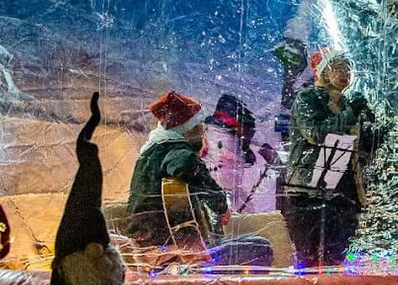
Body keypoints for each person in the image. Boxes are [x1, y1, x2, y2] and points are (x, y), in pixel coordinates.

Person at [126, 89, 275, 268]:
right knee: (261, 247)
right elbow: (185, 166)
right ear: (187, 128)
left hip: (151, 247)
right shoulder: (177, 152)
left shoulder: (150, 153)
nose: (203, 130)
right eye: (199, 125)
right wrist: (220, 205)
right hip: (174, 253)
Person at [283, 48, 380, 267]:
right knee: (309, 258)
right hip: (311, 191)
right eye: (339, 66)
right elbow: (316, 133)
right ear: (324, 71)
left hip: (343, 191)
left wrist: (375, 126)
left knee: (337, 257)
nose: (346, 72)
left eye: (348, 67)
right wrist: (351, 114)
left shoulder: (348, 104)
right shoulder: (307, 98)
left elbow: (364, 146)